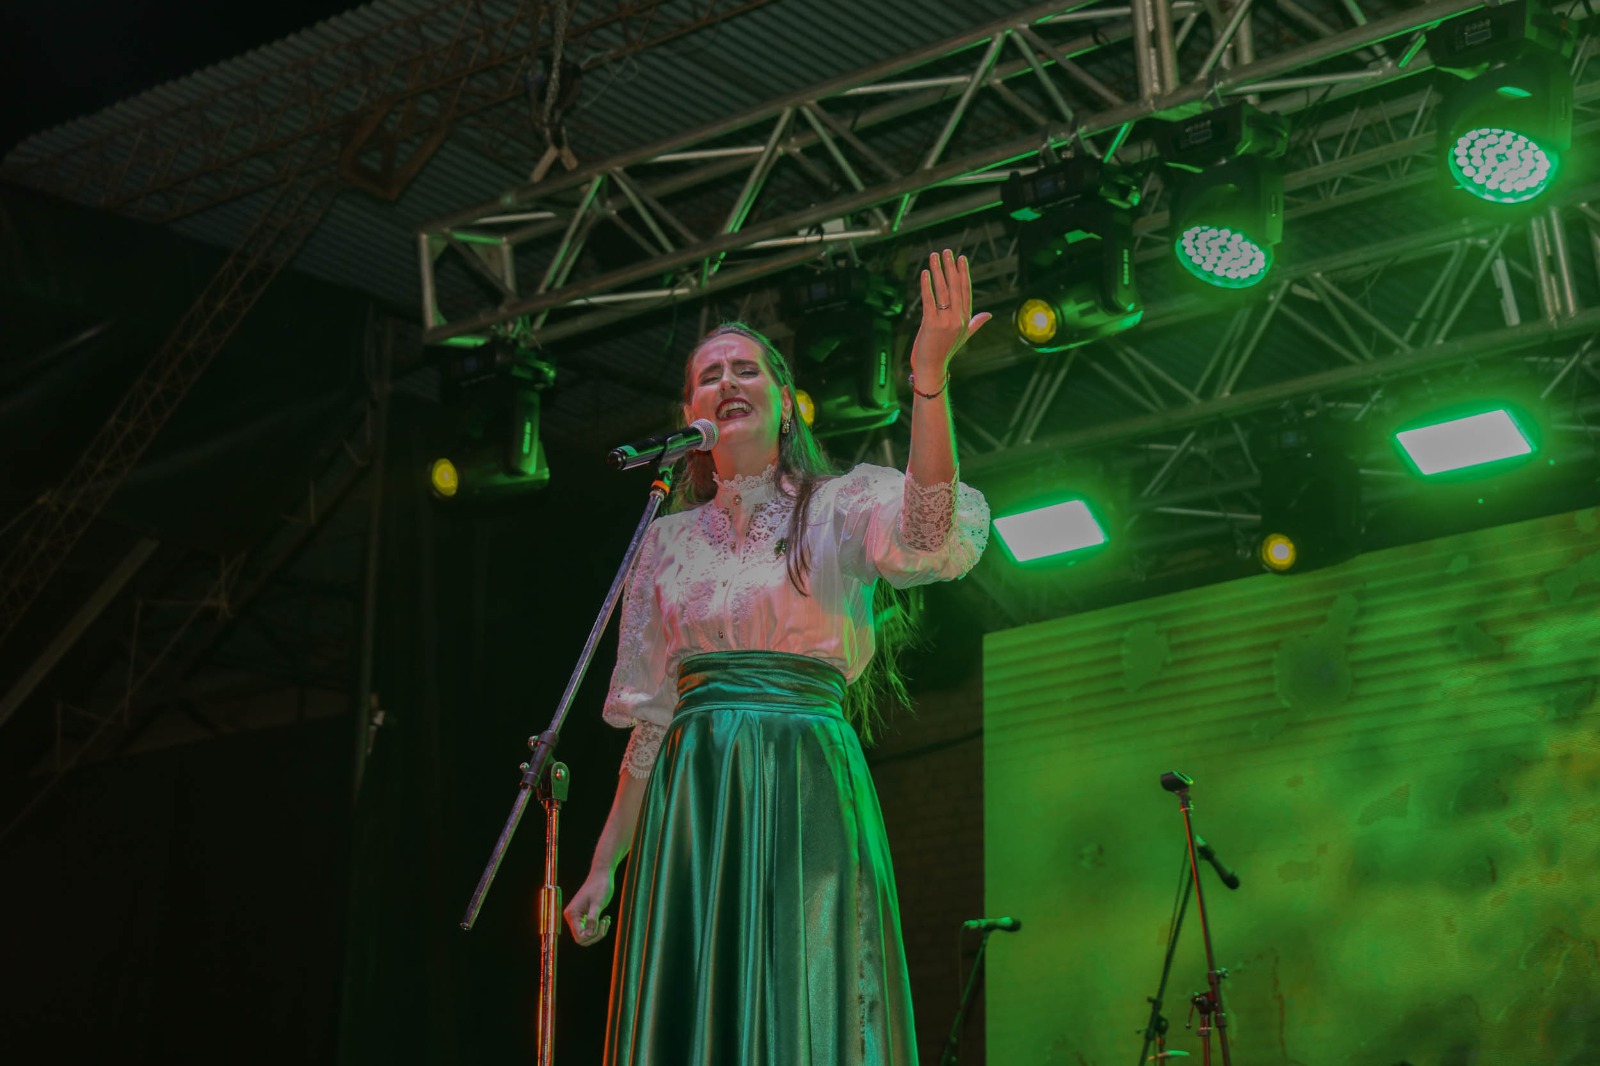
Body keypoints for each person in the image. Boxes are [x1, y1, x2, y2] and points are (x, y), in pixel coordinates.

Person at [563, 249, 992, 1064]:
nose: (726, 382)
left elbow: (931, 533)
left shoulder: (838, 506)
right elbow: (651, 723)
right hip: (697, 793)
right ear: (689, 411)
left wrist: (927, 383)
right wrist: (602, 865)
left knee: (808, 997)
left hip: (802, 777)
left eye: (746, 370)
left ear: (784, 403)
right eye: (708, 374)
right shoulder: (663, 544)